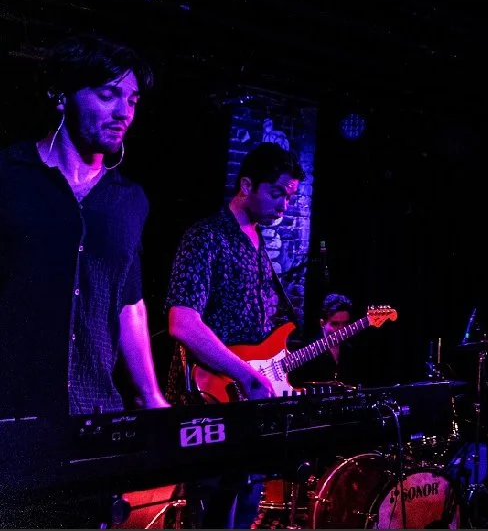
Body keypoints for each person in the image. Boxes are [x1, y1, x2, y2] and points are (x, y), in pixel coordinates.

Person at [0, 34, 169, 525]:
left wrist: (152, 396)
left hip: (94, 418)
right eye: (108, 94)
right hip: (13, 415)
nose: (124, 112)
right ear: (63, 94)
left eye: (132, 99)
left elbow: (129, 301)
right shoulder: (9, 176)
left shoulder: (129, 199)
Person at [164, 142, 305, 529]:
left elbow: (260, 337)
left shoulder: (260, 246)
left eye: (289, 197)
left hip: (249, 408)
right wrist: (245, 373)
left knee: (244, 512)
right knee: (210, 513)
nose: (284, 206)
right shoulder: (205, 236)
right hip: (210, 401)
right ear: (246, 185)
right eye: (277, 193)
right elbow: (182, 322)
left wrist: (275, 371)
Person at [288, 292, 357, 388]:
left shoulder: (351, 350)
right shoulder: (307, 350)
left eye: (345, 324)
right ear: (322, 323)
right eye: (335, 324)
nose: (341, 329)